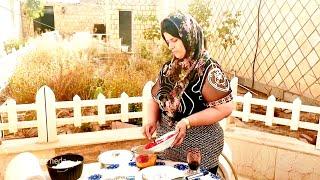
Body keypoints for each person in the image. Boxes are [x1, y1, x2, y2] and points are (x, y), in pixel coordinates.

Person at [142, 11, 234, 175]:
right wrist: (150, 120)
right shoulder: (170, 68)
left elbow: (225, 108)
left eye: (175, 40)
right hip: (168, 150)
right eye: (168, 41)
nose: (170, 46)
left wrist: (188, 121)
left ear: (188, 37)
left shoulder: (209, 70)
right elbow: (154, 97)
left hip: (198, 153)